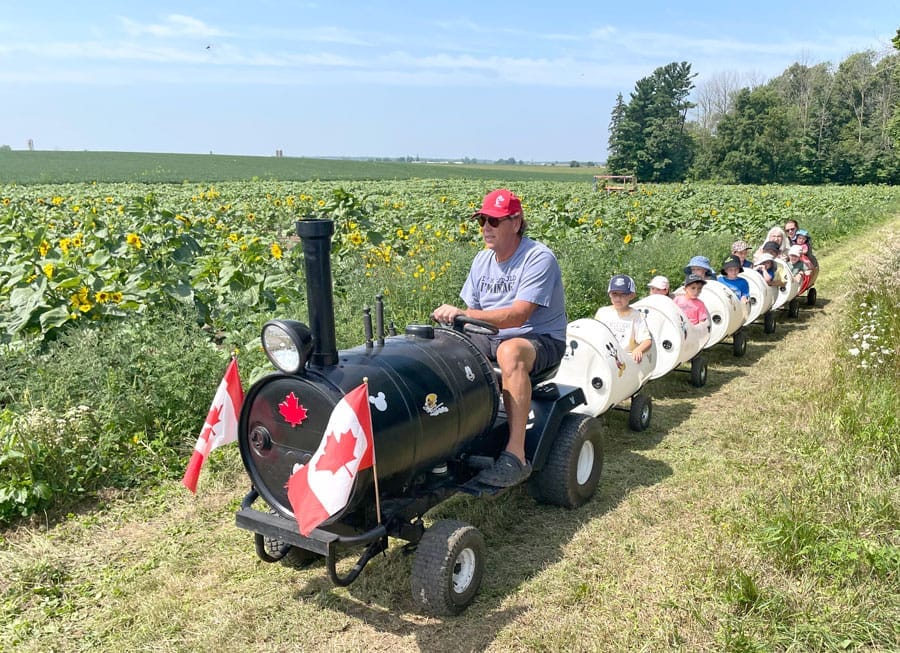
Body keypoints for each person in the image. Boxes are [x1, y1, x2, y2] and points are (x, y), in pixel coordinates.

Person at [432, 188, 567, 488]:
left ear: (516, 223)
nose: (486, 228)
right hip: (491, 335)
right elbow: (472, 314)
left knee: (509, 352)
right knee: (443, 348)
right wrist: (452, 326)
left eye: (494, 221)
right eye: (482, 221)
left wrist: (462, 314)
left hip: (538, 338)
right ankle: (454, 434)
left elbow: (518, 316)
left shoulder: (538, 258)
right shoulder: (482, 260)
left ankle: (516, 455)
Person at [594, 274, 652, 363]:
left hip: (627, 359)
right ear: (609, 294)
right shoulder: (602, 313)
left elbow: (647, 340)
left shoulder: (637, 316)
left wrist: (638, 349)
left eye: (623, 294)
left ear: (631, 295)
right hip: (605, 357)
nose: (618, 298)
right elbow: (594, 335)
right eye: (614, 294)